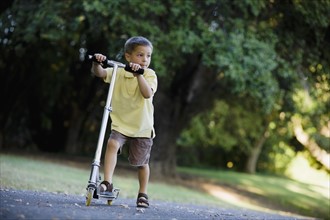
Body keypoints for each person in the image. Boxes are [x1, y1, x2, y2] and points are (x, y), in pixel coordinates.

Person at [91, 36, 157, 208]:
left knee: (141, 163)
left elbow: (147, 94)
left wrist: (138, 75)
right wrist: (97, 63)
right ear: (128, 57)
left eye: (148, 56)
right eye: (140, 55)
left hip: (142, 127)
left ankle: (143, 193)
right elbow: (101, 73)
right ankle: (107, 182)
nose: (145, 60)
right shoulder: (118, 71)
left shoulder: (149, 75)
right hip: (121, 124)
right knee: (112, 143)